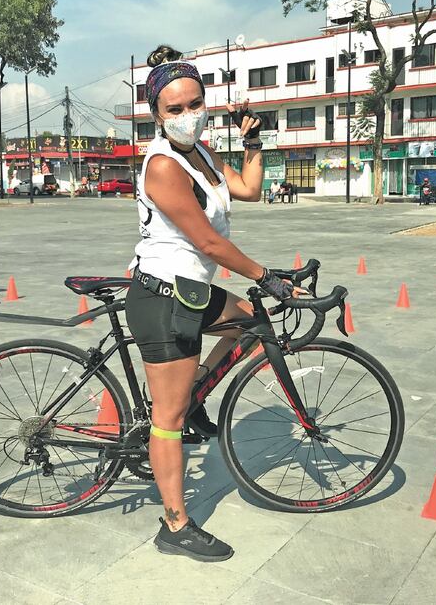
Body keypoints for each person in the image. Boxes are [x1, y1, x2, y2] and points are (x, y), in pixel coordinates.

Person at [125, 45, 301, 562]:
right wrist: (264, 275)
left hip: (192, 292)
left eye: (194, 104)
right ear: (157, 114)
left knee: (248, 324)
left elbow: (249, 189)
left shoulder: (200, 154)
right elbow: (207, 242)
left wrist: (254, 142)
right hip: (164, 299)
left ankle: (195, 394)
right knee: (168, 419)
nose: (187, 115)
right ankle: (174, 524)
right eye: (174, 109)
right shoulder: (162, 165)